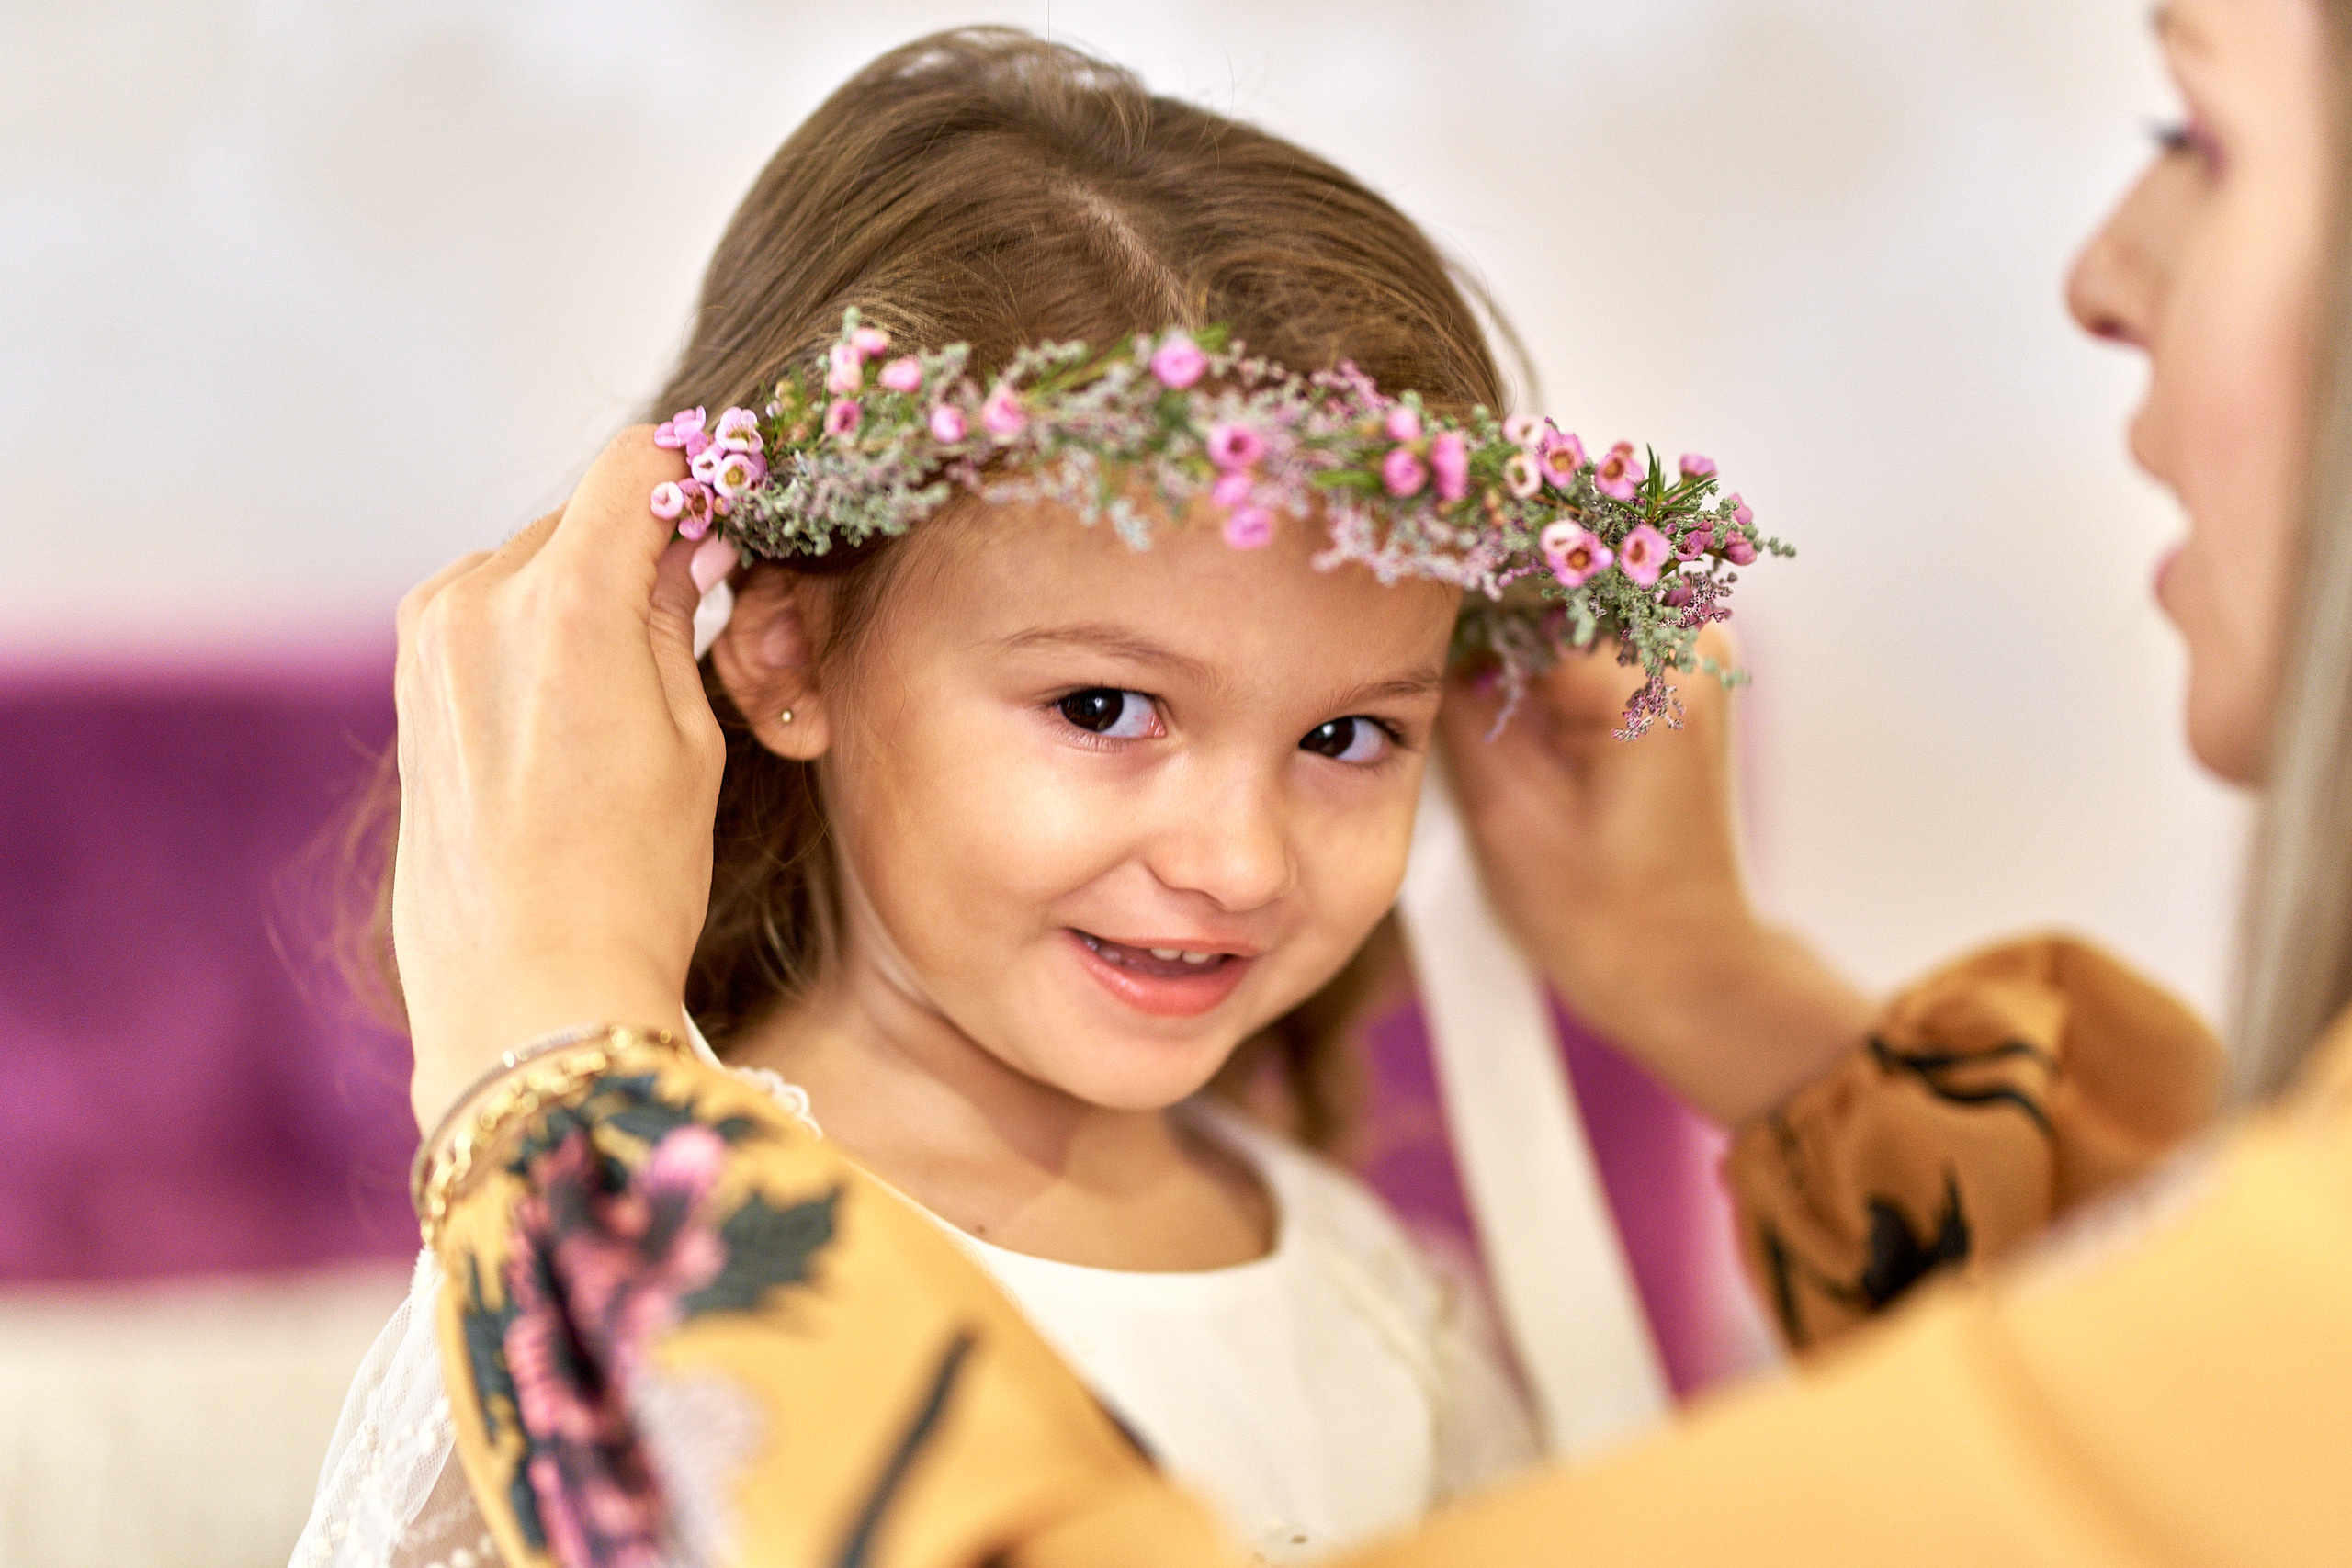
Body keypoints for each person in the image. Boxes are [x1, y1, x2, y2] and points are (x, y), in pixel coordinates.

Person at [379, 0, 2352, 1562]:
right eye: (1100, 709)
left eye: (1344, 734)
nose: (1236, 852)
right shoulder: (547, 1316)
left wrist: (554, 1079)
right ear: (788, 641)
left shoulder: (1376, 1302)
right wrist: (1691, 963)